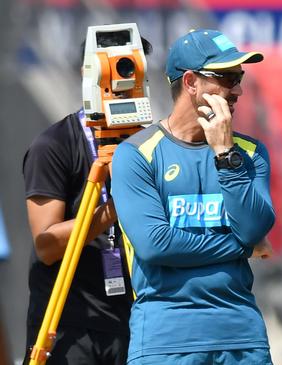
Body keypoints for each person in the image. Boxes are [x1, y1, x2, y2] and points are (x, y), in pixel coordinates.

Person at [111, 29, 276, 365]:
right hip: (165, 342)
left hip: (243, 340)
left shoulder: (248, 152)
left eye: (239, 77)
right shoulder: (136, 154)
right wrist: (238, 246)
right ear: (191, 82)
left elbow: (255, 227)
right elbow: (155, 244)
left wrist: (225, 154)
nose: (238, 89)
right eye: (227, 78)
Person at [22, 34, 152, 364]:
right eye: (117, 70)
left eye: (134, 71)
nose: (125, 81)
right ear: (89, 73)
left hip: (136, 321)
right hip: (70, 324)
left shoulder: (151, 145)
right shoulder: (54, 146)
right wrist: (111, 212)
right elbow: (46, 246)